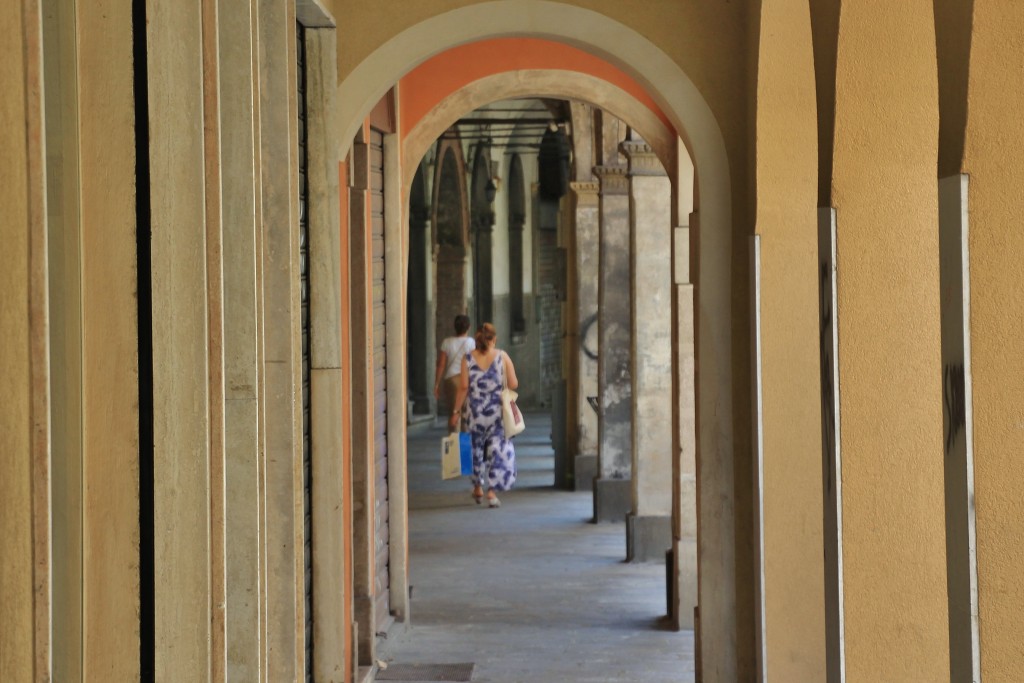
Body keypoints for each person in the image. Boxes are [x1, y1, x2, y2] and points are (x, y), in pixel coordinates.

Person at [449, 323, 518, 508]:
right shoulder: (502, 356)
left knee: (474, 449)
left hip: (474, 413)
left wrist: (455, 412)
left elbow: (463, 387)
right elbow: (513, 383)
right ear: (494, 339)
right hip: (497, 413)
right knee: (498, 449)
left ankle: (478, 487)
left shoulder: (467, 358)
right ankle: (491, 492)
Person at [434, 314, 475, 432]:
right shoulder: (471, 342)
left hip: (451, 380)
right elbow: (473, 363)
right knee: (466, 414)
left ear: (455, 327)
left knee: (453, 413)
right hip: (466, 379)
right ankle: (465, 446)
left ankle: (453, 445)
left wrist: (436, 384)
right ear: (468, 327)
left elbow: (441, 364)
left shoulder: (447, 342)